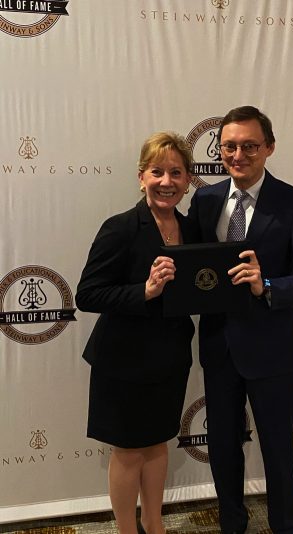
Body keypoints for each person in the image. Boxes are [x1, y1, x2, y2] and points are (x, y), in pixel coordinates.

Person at [188, 106, 293, 534]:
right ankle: (232, 524)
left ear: (269, 147)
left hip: (273, 350)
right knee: (222, 447)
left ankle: (285, 527)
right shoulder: (205, 200)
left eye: (249, 146)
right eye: (229, 146)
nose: (238, 155)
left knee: (278, 451)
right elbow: (194, 268)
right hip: (219, 348)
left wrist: (266, 285)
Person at [75, 132, 195, 534]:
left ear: (188, 179)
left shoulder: (191, 229)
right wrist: (144, 290)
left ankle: (154, 524)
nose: (166, 181)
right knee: (128, 452)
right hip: (122, 361)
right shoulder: (120, 227)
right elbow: (87, 294)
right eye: (157, 171)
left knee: (158, 444)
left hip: (170, 357)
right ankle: (127, 530)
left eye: (176, 172)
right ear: (141, 177)